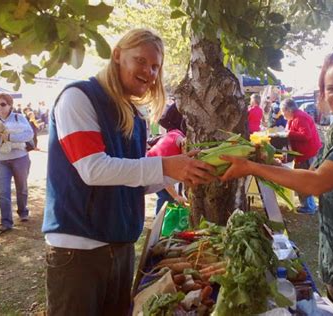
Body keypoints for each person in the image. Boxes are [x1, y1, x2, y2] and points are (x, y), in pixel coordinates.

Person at [220, 49, 333, 315]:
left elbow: (317, 183)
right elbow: (315, 172)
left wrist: (251, 167)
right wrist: (267, 161)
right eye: (330, 88)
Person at [42, 28, 215, 316]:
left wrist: (183, 171)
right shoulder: (78, 97)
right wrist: (165, 165)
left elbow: (135, 182)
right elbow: (93, 169)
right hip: (79, 251)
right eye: (142, 61)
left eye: (156, 66)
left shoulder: (135, 115)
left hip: (120, 247)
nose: (150, 72)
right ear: (118, 55)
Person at [0, 93, 33, 233]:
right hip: (0, 160)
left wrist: (10, 136)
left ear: (10, 105)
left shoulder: (19, 117)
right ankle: (6, 222)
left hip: (20, 158)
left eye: (3, 104)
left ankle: (23, 211)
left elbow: (29, 134)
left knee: (22, 188)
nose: (0, 107)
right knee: (3, 192)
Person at [280, 98, 322, 214]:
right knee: (303, 178)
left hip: (307, 153)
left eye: (283, 112)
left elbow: (306, 135)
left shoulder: (300, 118)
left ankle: (309, 206)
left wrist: (289, 133)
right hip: (303, 153)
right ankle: (309, 205)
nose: (283, 115)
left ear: (288, 110)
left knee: (303, 179)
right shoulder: (294, 118)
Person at [147, 125, 187, 215]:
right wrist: (176, 196)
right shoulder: (171, 151)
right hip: (151, 171)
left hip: (153, 166)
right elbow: (163, 176)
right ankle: (158, 223)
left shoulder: (177, 135)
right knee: (166, 197)